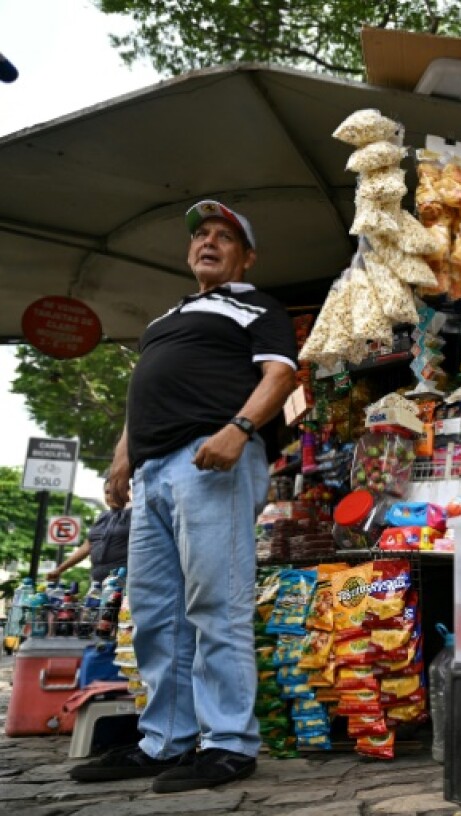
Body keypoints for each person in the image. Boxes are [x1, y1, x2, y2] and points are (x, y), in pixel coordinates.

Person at [69, 200, 297, 793]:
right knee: (153, 614)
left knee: (215, 605)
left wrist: (239, 430)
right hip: (153, 472)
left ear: (246, 257)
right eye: (201, 234)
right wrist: (123, 457)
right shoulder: (165, 318)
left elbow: (280, 376)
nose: (209, 242)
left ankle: (228, 743)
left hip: (211, 458)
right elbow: (144, 392)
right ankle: (165, 739)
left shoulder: (256, 305)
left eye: (225, 237)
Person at [47, 480, 131, 585]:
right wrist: (59, 569)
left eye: (116, 492)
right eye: (107, 492)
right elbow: (87, 547)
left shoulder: (134, 515)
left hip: (123, 580)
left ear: (126, 492)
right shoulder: (102, 517)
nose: (111, 496)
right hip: (98, 581)